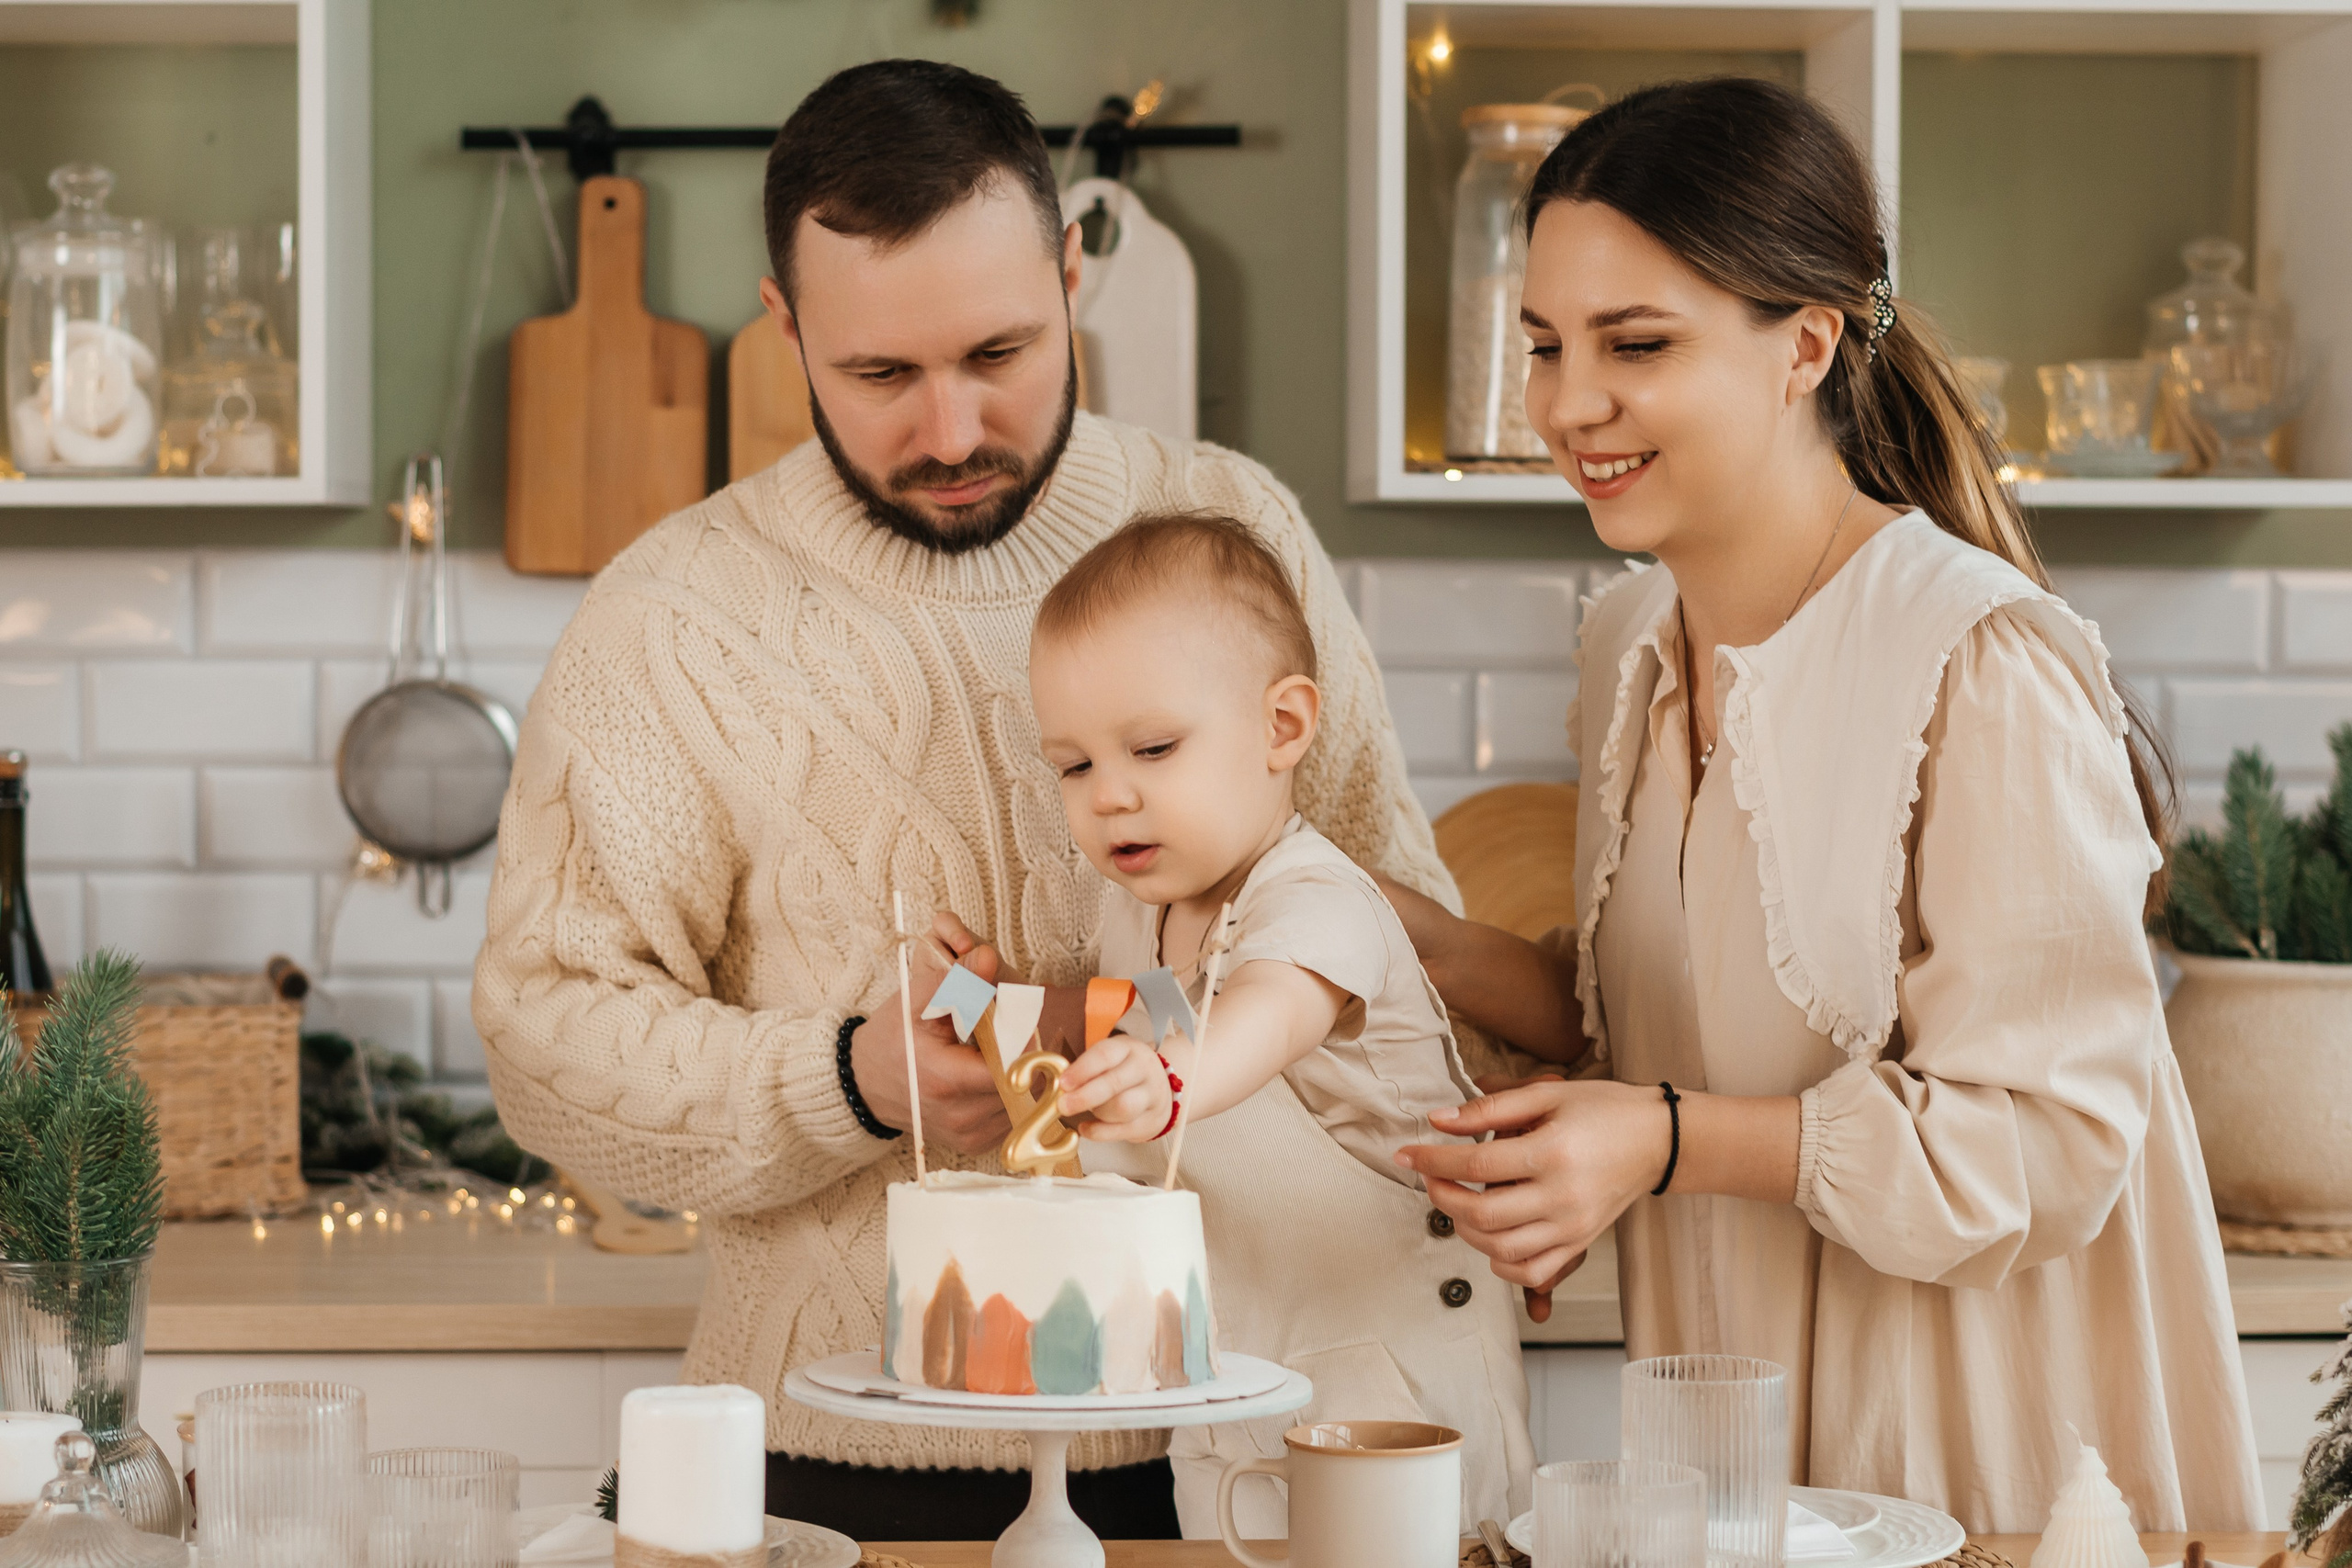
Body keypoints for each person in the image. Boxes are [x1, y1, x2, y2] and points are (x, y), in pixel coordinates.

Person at [470, 60, 1460, 1542]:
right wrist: (849, 1078)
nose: (948, 429)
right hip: (817, 1477)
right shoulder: (668, 619)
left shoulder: (1236, 529)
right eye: (879, 375)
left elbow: (1397, 944)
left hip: (1232, 1461)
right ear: (785, 325)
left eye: (1000, 350)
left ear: (1073, 276)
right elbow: (545, 1042)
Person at [1381, 77, 2265, 1533]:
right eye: (1544, 343)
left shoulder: (1976, 658)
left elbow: (2043, 1143)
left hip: (1985, 1457)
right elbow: (1661, 1021)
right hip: (1735, 1470)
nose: (1567, 402)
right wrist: (1393, 928)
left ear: (1805, 344)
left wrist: (1657, 1140)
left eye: (1636, 342)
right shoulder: (1629, 647)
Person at [992, 513, 1532, 1537]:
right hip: (1230, 1371)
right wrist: (1000, 1002)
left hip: (1393, 1380)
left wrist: (1171, 1081)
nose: (1110, 796)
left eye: (1152, 748)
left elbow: (1266, 1013)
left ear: (1283, 728)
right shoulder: (1136, 907)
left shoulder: (1319, 900)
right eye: (1073, 766)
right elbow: (1151, 1013)